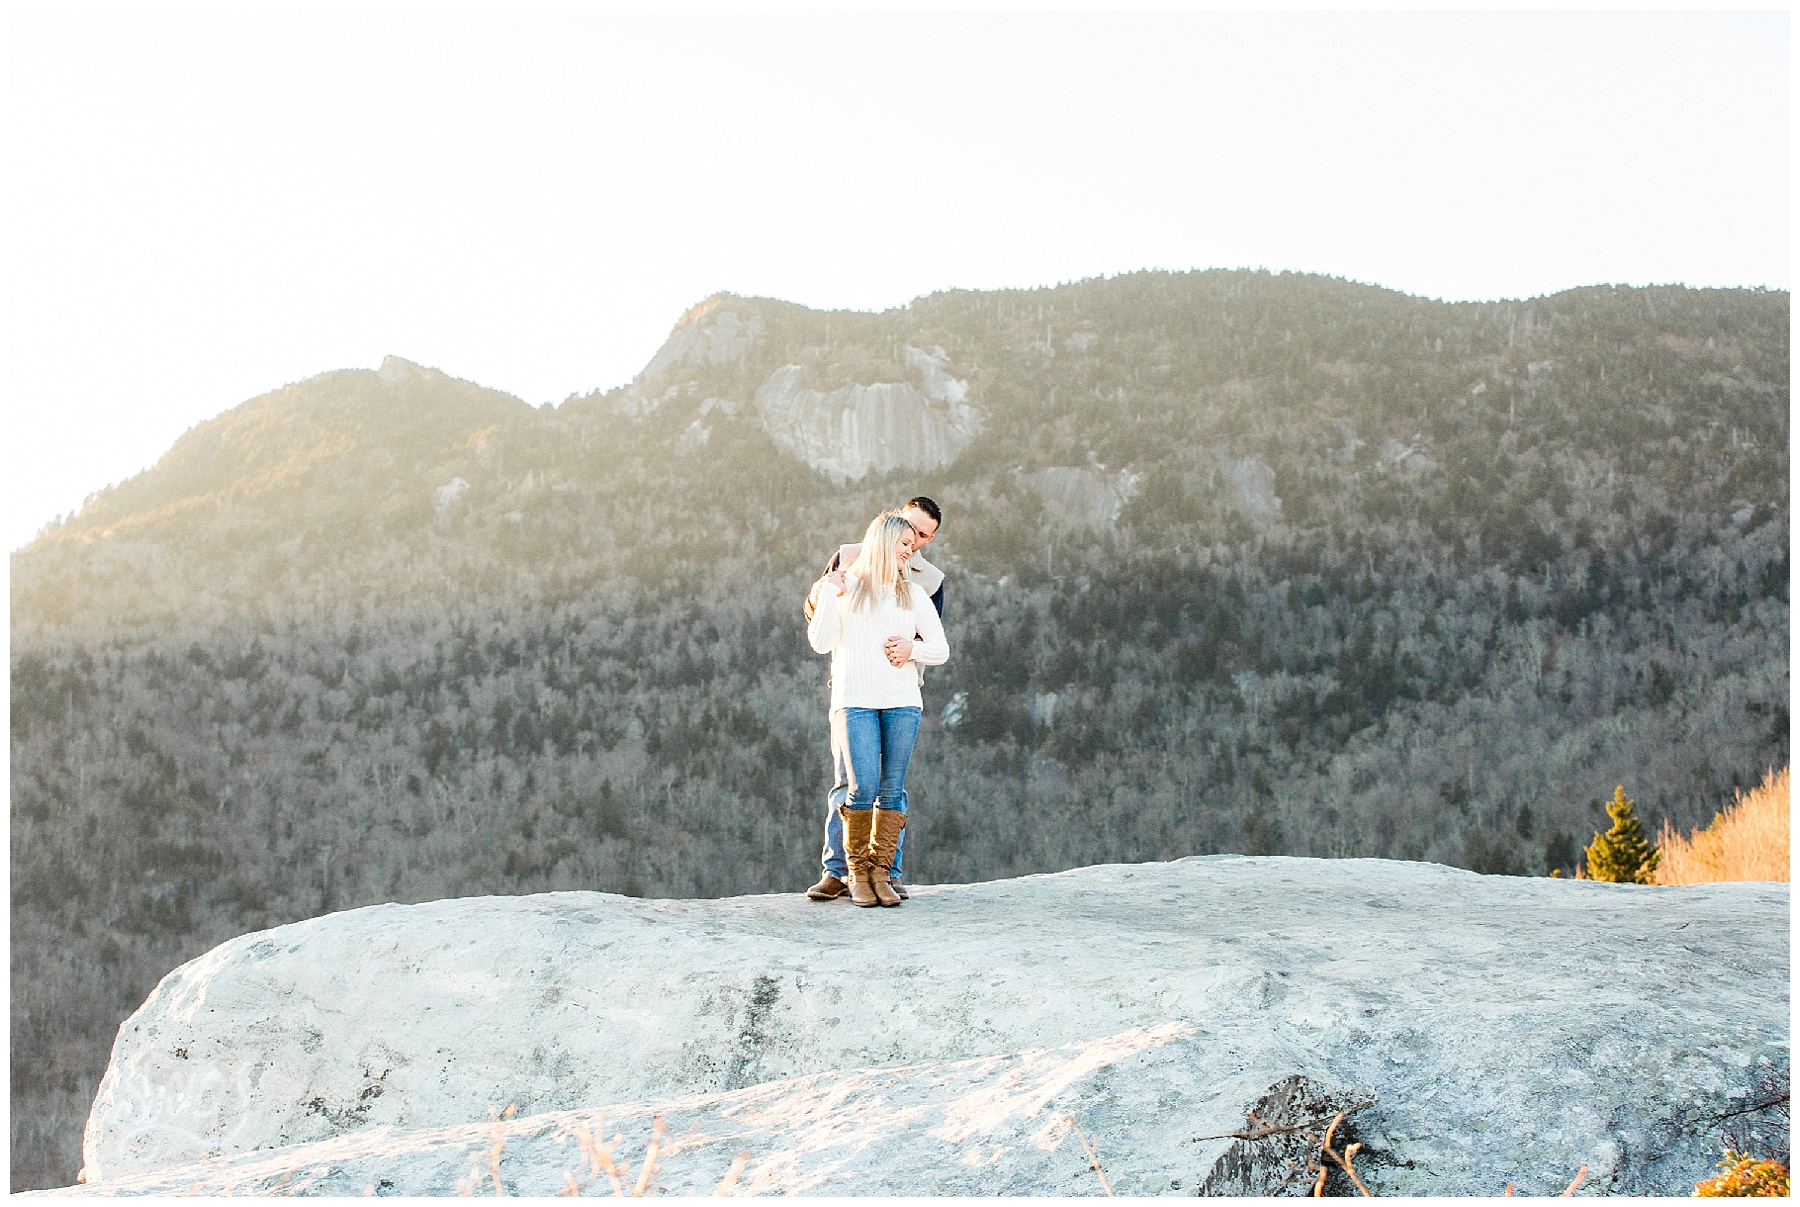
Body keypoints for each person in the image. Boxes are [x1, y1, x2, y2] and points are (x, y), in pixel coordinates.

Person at [802, 497, 945, 901]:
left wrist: (911, 649)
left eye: (923, 537)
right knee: (850, 783)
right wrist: (829, 593)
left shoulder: (925, 583)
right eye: (909, 533)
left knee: (891, 787)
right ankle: (842, 871)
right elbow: (818, 623)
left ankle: (885, 872)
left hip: (899, 692)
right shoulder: (848, 561)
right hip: (852, 692)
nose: (914, 543)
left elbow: (932, 637)